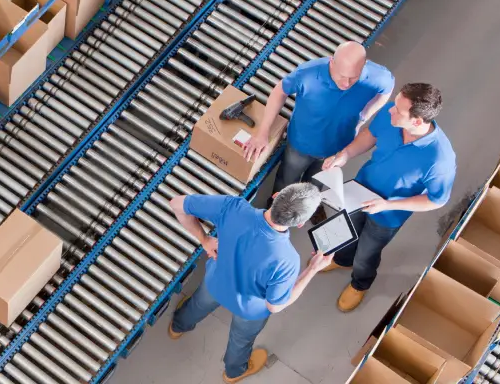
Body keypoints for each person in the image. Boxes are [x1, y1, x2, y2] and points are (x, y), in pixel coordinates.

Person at [167, 183, 333, 383]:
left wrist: (204, 239)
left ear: (276, 195)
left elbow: (176, 204)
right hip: (249, 309)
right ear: (300, 223)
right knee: (240, 340)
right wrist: (312, 269)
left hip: (216, 282)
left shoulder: (233, 207)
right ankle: (233, 372)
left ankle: (178, 327)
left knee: (197, 305)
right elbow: (275, 305)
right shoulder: (287, 260)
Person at [321, 83, 456, 312]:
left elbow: (437, 199)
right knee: (345, 229)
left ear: (416, 121)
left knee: (367, 252)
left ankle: (360, 282)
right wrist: (344, 155)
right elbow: (369, 136)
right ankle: (342, 260)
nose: (390, 109)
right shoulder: (391, 115)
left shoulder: (439, 160)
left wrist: (387, 205)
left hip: (388, 214)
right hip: (360, 189)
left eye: (398, 110)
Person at [244, 41, 395, 219]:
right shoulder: (308, 73)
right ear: (332, 61)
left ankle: (310, 206)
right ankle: (277, 210)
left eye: (353, 77)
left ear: (364, 65)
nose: (346, 83)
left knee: (316, 183)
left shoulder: (378, 77)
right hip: (300, 144)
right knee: (287, 180)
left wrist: (364, 116)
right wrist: (263, 132)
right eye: (342, 75)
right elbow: (280, 91)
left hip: (336, 148)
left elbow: (387, 90)